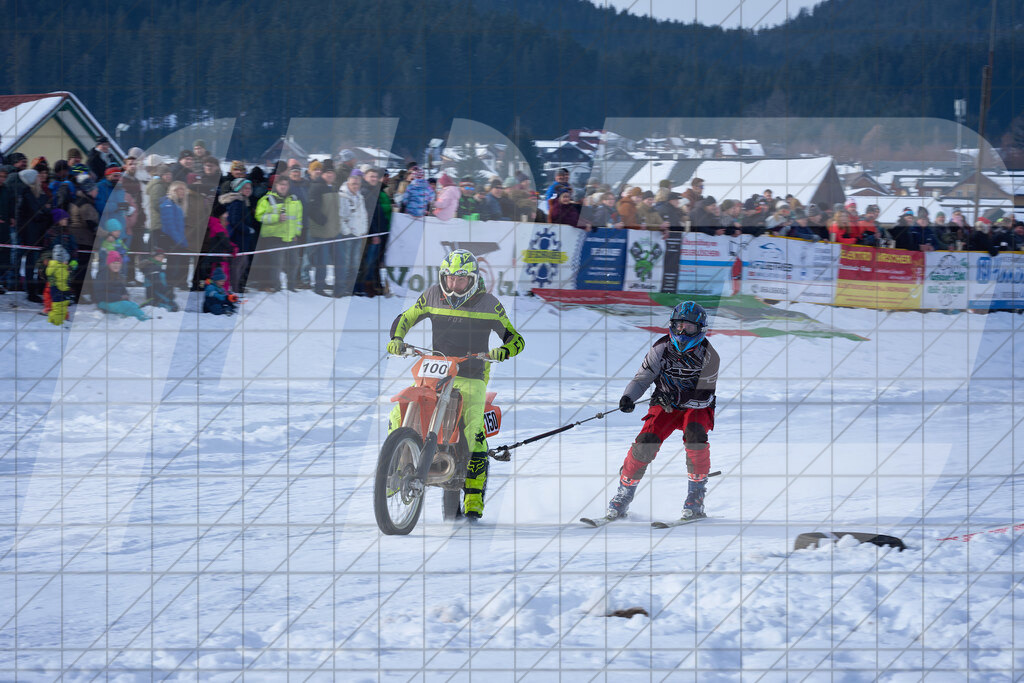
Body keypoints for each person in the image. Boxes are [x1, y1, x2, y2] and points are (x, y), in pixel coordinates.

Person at [385, 249, 526, 519]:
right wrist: (397, 338)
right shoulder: (431, 295)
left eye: (460, 280)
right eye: (449, 279)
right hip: (434, 370)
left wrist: (502, 351)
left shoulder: (489, 303)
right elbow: (406, 318)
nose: (453, 285)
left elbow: (516, 339)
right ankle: (392, 474)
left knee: (473, 428)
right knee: (398, 412)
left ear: (472, 280)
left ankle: (474, 496)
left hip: (472, 373)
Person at [608, 301, 720, 520]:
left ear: (700, 329)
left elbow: (704, 395)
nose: (682, 331)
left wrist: (677, 397)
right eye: (679, 325)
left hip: (696, 407)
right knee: (645, 443)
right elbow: (642, 378)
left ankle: (695, 496)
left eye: (689, 327)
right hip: (664, 405)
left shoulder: (709, 355)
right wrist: (628, 397)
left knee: (695, 438)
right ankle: (623, 494)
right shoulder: (661, 347)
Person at [253, 175, 303, 292]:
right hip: (274, 237)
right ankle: (277, 288)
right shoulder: (267, 199)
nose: (283, 187)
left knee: (294, 263)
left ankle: (291, 287)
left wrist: (296, 233)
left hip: (291, 237)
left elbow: (298, 219)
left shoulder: (295, 199)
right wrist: (276, 218)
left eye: (285, 185)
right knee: (277, 265)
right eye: (281, 185)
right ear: (276, 186)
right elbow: (259, 216)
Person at [93, 252, 150, 321]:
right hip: (104, 302)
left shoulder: (118, 275)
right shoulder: (102, 275)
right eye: (114, 263)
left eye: (118, 263)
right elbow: (100, 295)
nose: (116, 265)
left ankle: (138, 315)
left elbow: (123, 288)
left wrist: (125, 295)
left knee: (134, 305)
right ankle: (144, 319)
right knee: (127, 306)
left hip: (116, 301)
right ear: (108, 264)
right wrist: (119, 297)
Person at [46, 244, 73, 326]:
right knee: (59, 309)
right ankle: (56, 324)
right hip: (60, 291)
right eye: (66, 260)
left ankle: (53, 322)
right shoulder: (60, 269)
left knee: (59, 308)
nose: (67, 262)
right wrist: (66, 291)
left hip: (55, 290)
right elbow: (62, 282)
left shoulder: (54, 266)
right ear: (62, 259)